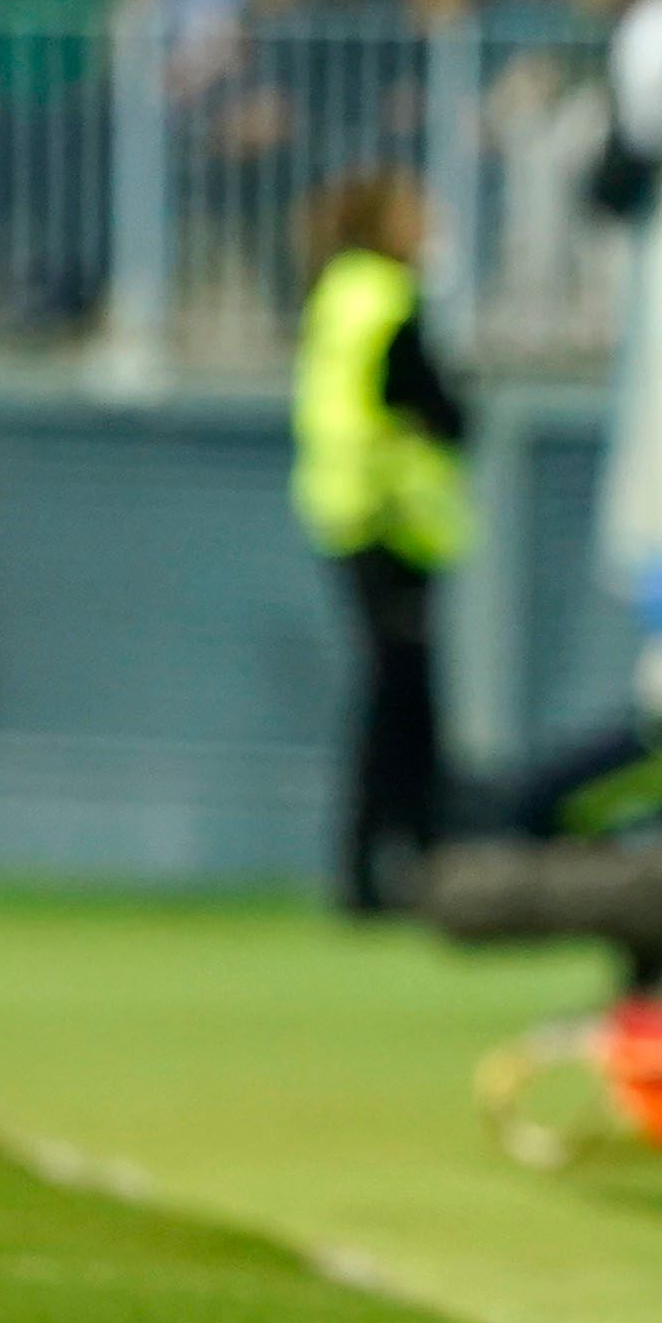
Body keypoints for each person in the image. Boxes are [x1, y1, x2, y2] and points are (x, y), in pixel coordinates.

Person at [289, 171, 470, 916]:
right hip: (386, 521)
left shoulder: (339, 294)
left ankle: (381, 864)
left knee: (393, 697)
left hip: (352, 517)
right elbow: (426, 402)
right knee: (398, 701)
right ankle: (395, 864)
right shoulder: (385, 299)